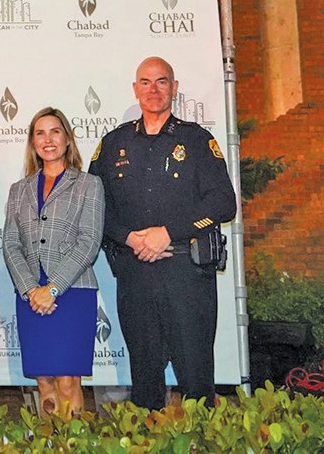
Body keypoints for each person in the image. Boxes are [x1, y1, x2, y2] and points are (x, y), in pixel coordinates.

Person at [87, 57, 237, 409]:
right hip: (135, 275)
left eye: (162, 82)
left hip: (186, 274)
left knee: (196, 377)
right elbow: (93, 208)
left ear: (175, 88)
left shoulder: (197, 140)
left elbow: (224, 203)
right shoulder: (113, 144)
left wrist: (168, 233)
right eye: (146, 82)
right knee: (144, 377)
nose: (153, 90)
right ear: (135, 89)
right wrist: (130, 238)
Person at [1, 107, 104, 416]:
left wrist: (53, 288)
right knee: (44, 382)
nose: (48, 139)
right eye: (40, 133)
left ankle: (74, 445)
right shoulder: (18, 190)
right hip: (31, 297)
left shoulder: (89, 185)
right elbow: (10, 242)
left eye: (55, 131)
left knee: (69, 381)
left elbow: (89, 243)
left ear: (67, 139)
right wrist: (32, 289)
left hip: (72, 295)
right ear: (33, 143)